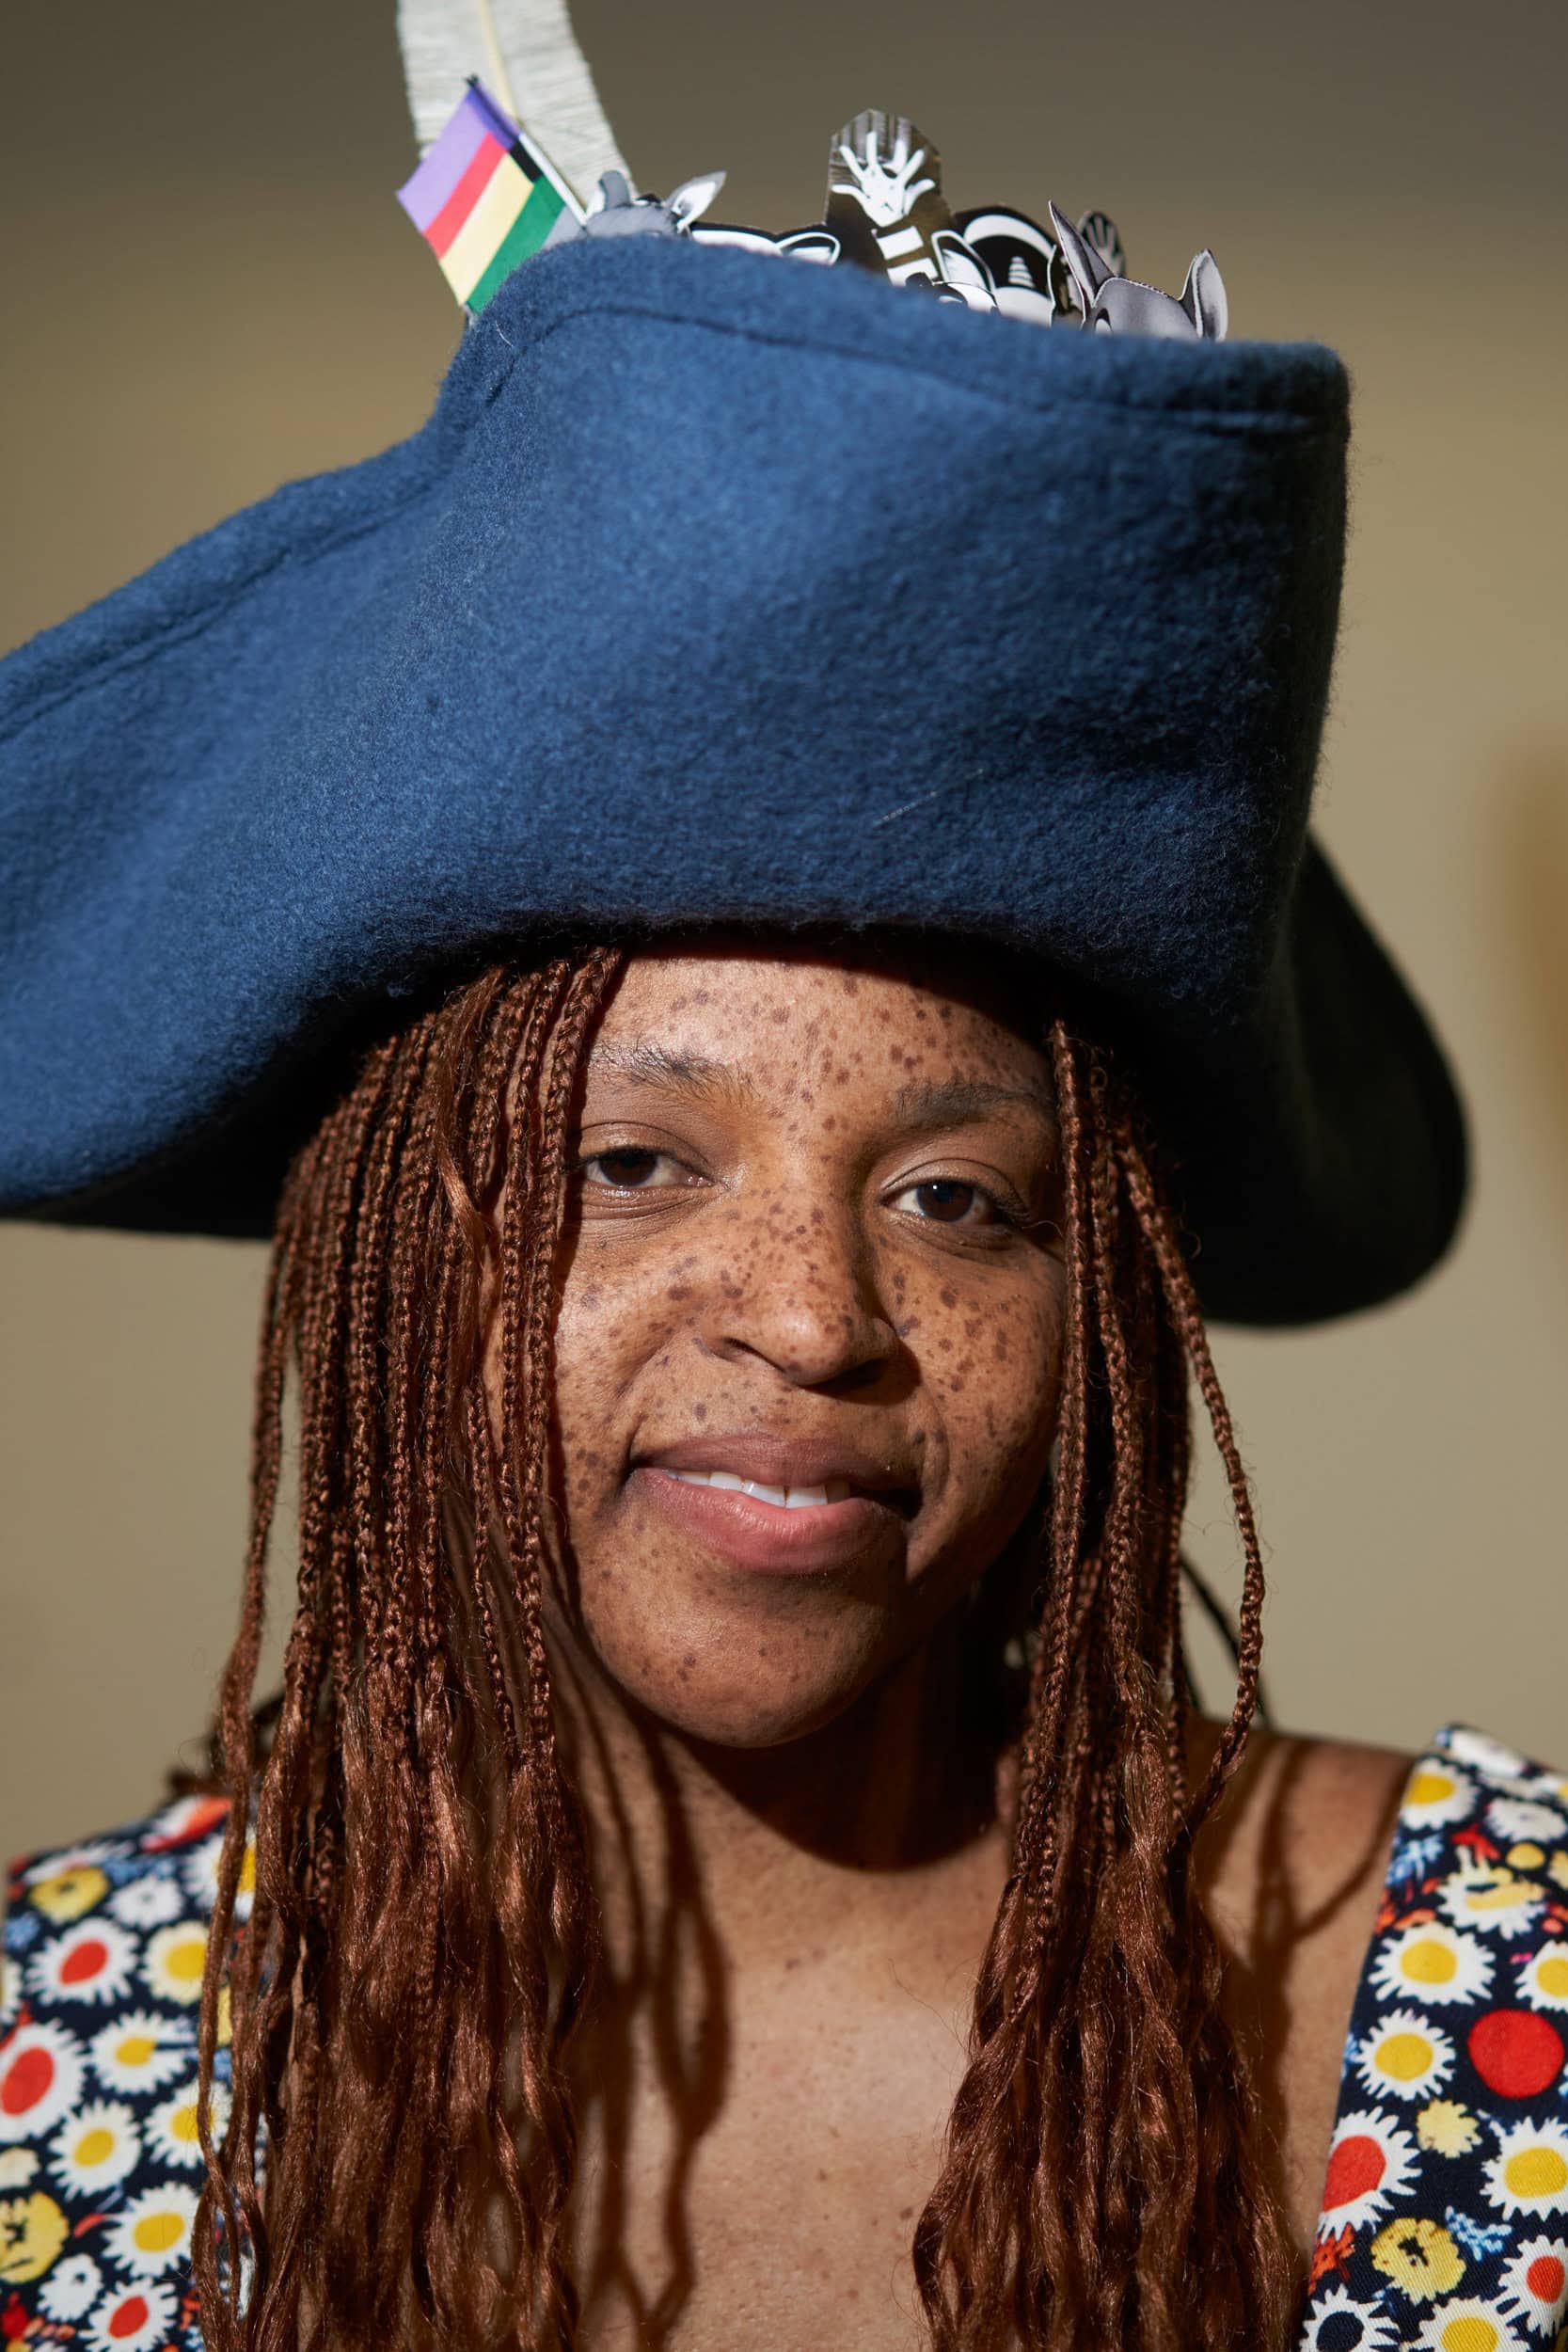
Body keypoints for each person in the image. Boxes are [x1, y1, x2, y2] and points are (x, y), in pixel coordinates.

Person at [2, 13, 1564, 2352]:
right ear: (392, 1239)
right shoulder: (50, 2055)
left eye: (958, 1198)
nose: (815, 1317)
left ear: (1107, 1287)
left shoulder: (1512, 1981)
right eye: (630, 1160)